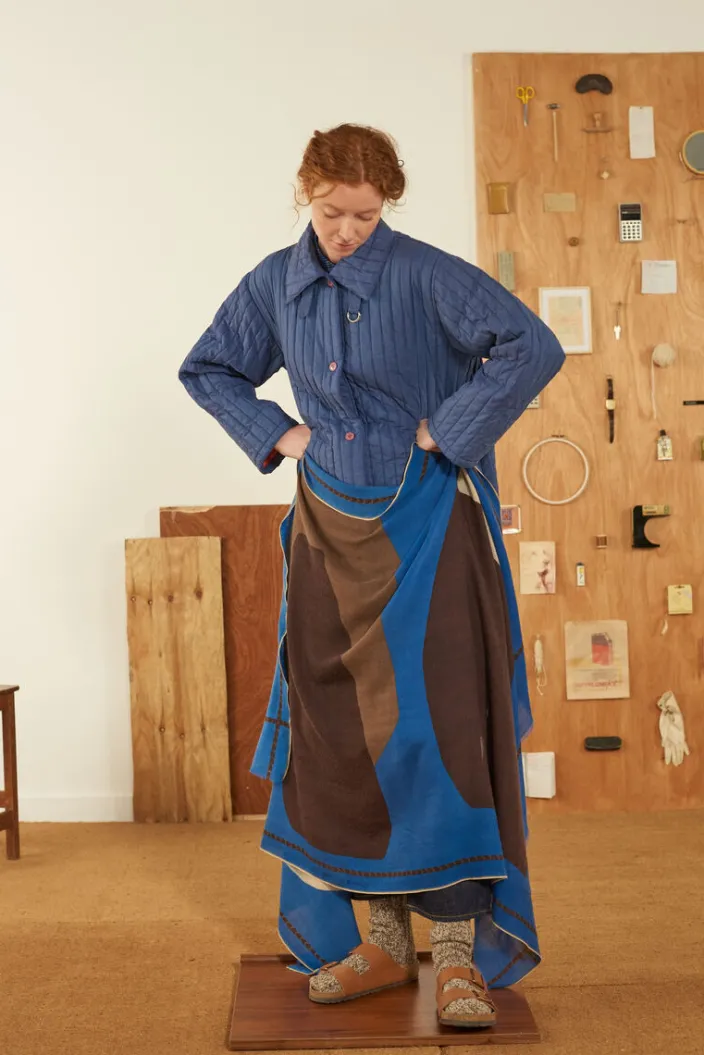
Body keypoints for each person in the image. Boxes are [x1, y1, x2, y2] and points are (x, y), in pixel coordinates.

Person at [179, 123, 565, 1029]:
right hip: (326, 535)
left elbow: (531, 344)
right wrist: (280, 434)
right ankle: (386, 945)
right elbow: (208, 367)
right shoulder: (273, 283)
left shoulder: (428, 275)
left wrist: (448, 428)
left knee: (442, 732)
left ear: (385, 203)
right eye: (332, 212)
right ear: (305, 195)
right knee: (343, 740)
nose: (348, 229)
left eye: (365, 213)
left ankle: (458, 957)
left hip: (432, 524)